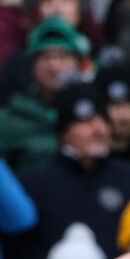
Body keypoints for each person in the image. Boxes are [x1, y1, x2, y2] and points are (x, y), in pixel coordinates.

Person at [11, 81, 130, 259]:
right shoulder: (32, 183)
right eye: (86, 122)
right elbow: (23, 257)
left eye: (102, 120)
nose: (98, 129)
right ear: (64, 131)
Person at [0, 18, 88, 171]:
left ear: (79, 64)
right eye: (45, 57)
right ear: (32, 67)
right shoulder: (10, 119)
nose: (54, 66)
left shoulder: (96, 114)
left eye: (63, 56)